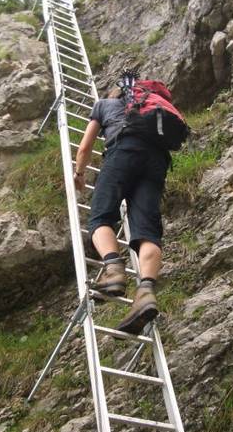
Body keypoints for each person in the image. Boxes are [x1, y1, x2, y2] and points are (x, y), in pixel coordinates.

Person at [73, 77, 171, 335]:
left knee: (100, 218)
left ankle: (114, 269)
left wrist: (79, 174)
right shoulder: (152, 110)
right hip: (157, 161)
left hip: (123, 151)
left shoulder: (104, 104)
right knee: (148, 232)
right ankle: (146, 292)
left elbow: (84, 148)